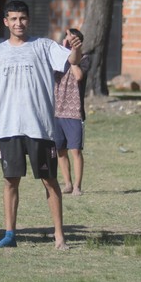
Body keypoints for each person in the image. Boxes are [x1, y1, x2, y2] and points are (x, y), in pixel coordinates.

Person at [0, 0, 82, 250]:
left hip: (40, 128)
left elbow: (72, 60)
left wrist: (77, 48)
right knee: (10, 181)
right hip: (8, 128)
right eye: (13, 19)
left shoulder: (44, 46)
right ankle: (9, 235)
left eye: (22, 18)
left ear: (28, 20)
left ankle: (59, 236)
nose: (18, 23)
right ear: (6, 22)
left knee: (49, 180)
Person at [54, 28, 90, 196]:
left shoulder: (84, 59)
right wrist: (63, 52)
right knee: (60, 151)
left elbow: (79, 76)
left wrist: (73, 54)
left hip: (74, 113)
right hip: (56, 112)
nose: (69, 43)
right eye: (67, 40)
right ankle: (67, 184)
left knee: (75, 151)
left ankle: (77, 186)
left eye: (73, 41)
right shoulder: (57, 59)